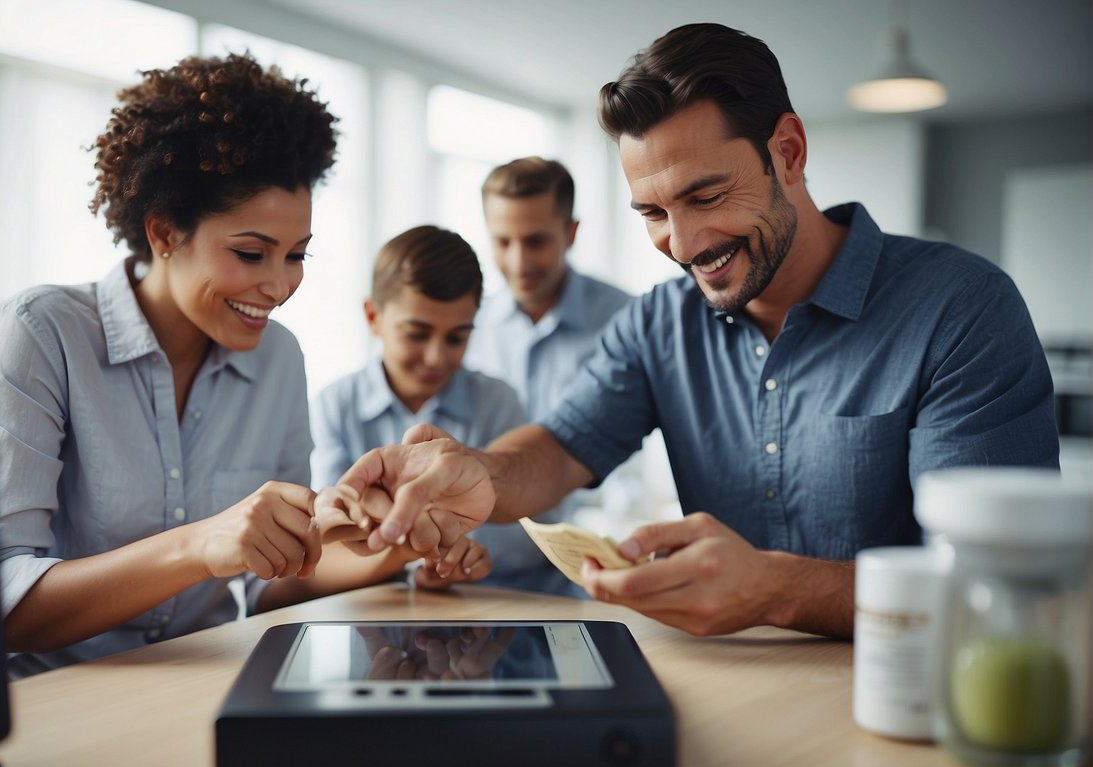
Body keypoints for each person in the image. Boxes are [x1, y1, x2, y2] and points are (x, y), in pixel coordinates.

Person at [328, 23, 1060, 640]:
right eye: (651, 212)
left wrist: (776, 590)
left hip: (905, 689)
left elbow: (998, 588)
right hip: (728, 686)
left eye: (704, 195)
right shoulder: (658, 321)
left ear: (790, 152)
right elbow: (558, 448)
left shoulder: (960, 309)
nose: (680, 243)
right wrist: (480, 473)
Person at [0, 54, 474, 678]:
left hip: (208, 683)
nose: (278, 285)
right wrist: (200, 545)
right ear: (164, 234)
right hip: (55, 700)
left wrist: (390, 544)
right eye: (250, 253)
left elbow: (275, 583)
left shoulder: (279, 358)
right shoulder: (41, 334)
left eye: (296, 255)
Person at [311, 225, 580, 596]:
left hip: (495, 603)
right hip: (375, 609)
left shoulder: (498, 401)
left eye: (457, 337)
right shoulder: (334, 405)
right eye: (417, 334)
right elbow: (330, 538)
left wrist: (467, 558)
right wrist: (416, 550)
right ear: (373, 317)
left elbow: (532, 535)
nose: (436, 357)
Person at [467, 157, 631, 423]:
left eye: (536, 242)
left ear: (571, 233)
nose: (518, 263)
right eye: (503, 242)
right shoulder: (467, 327)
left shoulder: (625, 321)